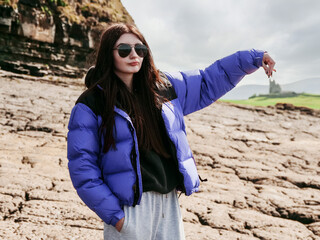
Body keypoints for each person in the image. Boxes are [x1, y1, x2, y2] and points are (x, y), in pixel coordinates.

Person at [67, 23, 275, 239]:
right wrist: (117, 217)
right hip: (130, 208)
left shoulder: (164, 87)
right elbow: (82, 167)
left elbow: (207, 81)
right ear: (109, 54)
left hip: (169, 204)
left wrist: (254, 58)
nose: (134, 55)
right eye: (124, 50)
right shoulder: (91, 103)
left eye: (140, 49)